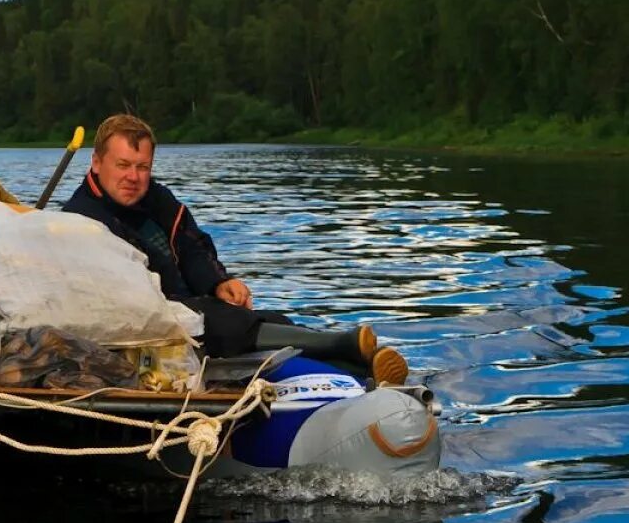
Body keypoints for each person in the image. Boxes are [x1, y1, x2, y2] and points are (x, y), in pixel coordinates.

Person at [62, 113, 407, 382]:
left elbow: (192, 244)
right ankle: (345, 347)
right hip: (146, 324)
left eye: (142, 168)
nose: (133, 177)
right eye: (123, 165)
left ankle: (363, 369)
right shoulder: (81, 218)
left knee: (265, 320)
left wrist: (218, 282)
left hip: (193, 308)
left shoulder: (157, 197)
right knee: (224, 323)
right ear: (96, 163)